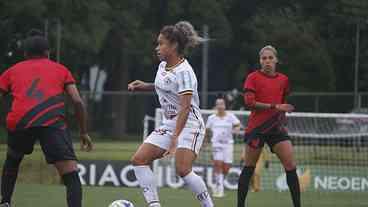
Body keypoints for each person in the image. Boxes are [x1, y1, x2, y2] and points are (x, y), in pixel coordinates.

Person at [0, 30, 93, 207]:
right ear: (48, 53)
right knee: (70, 174)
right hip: (51, 122)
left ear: (26, 54)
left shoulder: (11, 71)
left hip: (20, 121)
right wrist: (83, 132)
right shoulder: (61, 70)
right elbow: (77, 101)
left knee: (12, 160)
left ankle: (5, 202)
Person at [128, 21, 213, 207]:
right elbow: (165, 87)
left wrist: (175, 139)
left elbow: (185, 107)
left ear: (174, 46)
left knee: (182, 169)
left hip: (190, 123)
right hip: (171, 123)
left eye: (161, 44)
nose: (157, 48)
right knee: (139, 160)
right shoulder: (163, 66)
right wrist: (146, 85)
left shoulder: (185, 72)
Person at [237, 45, 301, 207]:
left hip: (276, 129)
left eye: (270, 58)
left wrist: (283, 114)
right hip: (257, 129)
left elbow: (283, 102)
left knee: (291, 166)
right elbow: (249, 103)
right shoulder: (253, 77)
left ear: (276, 60)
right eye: (264, 58)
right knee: (249, 167)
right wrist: (275, 107)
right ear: (260, 61)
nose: (267, 61)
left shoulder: (284, 80)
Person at [205, 97, 240, 197]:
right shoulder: (211, 118)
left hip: (228, 144)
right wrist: (206, 142)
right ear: (216, 106)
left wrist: (236, 129)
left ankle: (217, 184)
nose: (220, 106)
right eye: (218, 104)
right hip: (216, 144)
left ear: (225, 106)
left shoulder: (230, 116)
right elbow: (207, 130)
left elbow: (237, 124)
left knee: (226, 168)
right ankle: (220, 190)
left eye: (222, 104)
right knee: (218, 164)